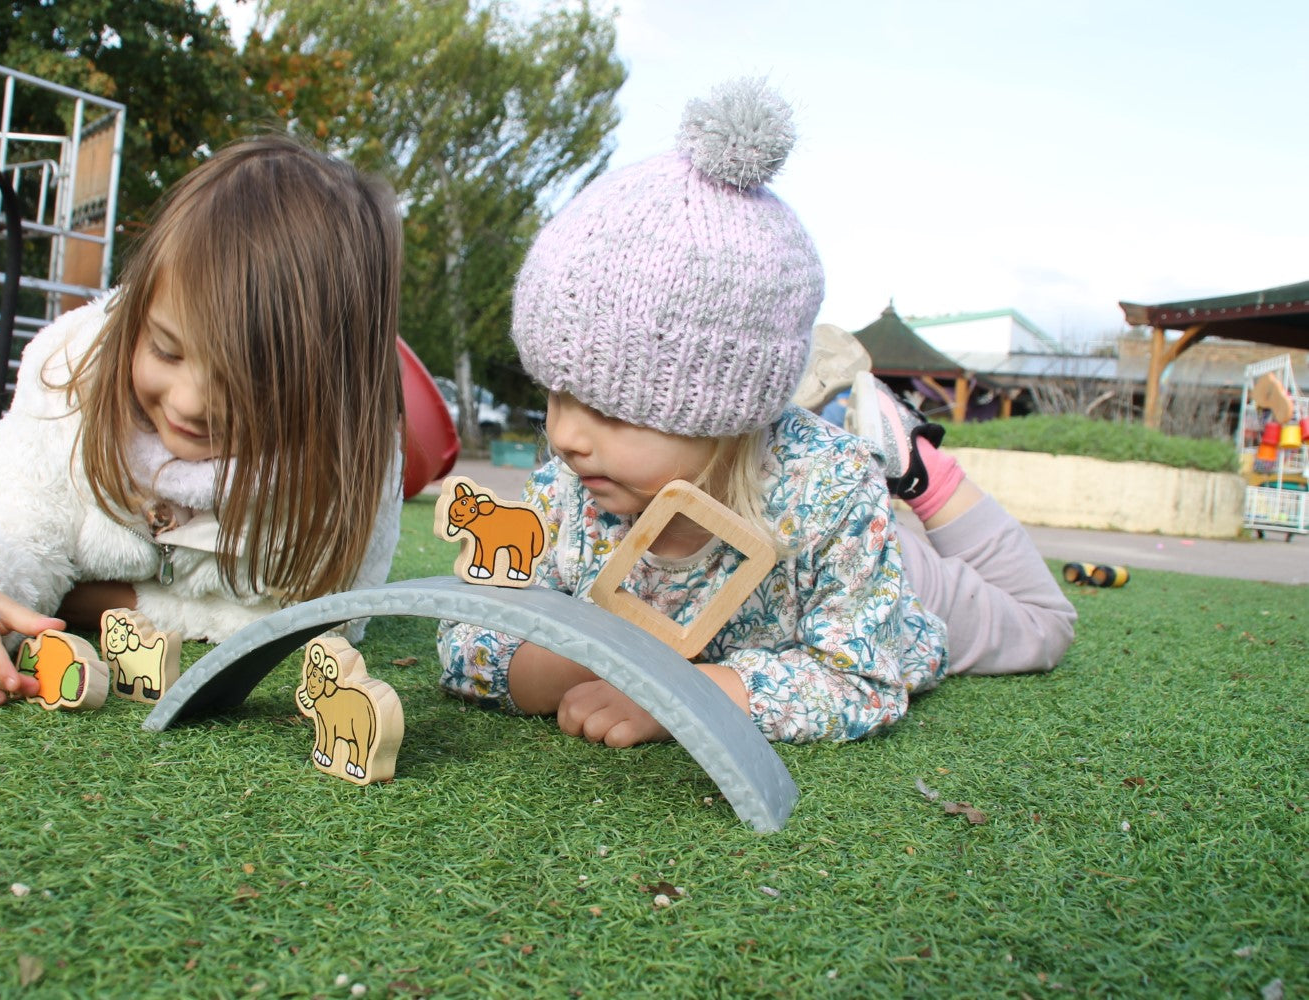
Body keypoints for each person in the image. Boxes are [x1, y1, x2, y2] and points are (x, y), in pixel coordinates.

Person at [437, 79, 1075, 747]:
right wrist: (584, 660)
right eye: (554, 392)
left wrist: (687, 695)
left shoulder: (831, 495)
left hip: (881, 573)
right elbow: (468, 645)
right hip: (770, 486)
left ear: (725, 410)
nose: (564, 435)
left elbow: (859, 679)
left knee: (1043, 626)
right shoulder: (572, 488)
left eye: (613, 409)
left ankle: (917, 464)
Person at [0, 134, 406, 707]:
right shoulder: (72, 377)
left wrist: (109, 602)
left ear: (326, 387)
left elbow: (326, 614)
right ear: (139, 315)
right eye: (166, 350)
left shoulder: (351, 458)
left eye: (246, 381)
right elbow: (4, 517)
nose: (190, 403)